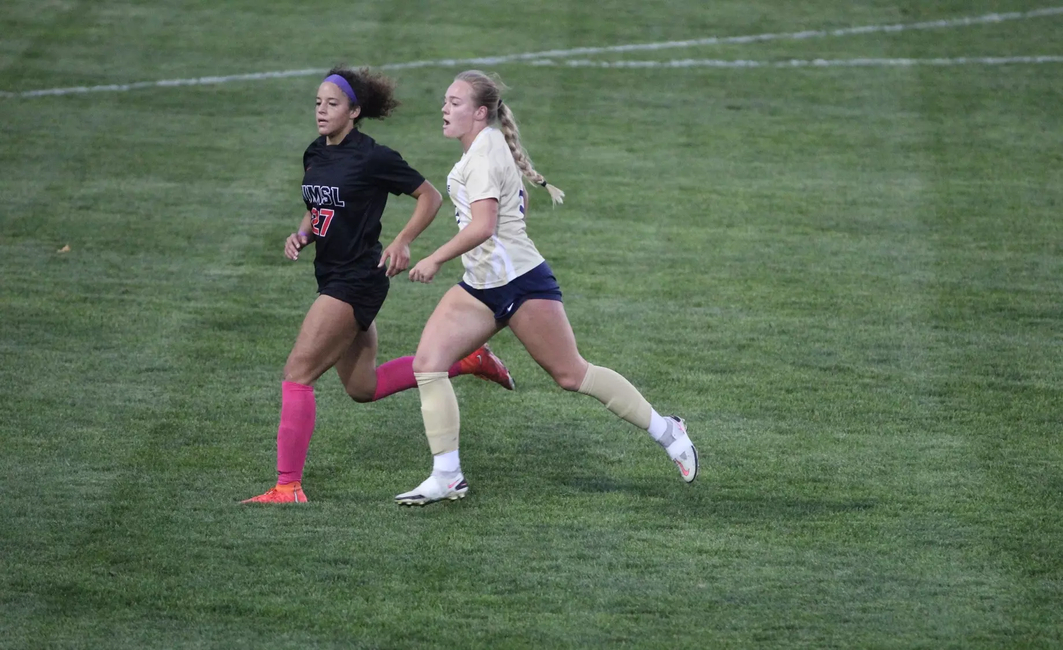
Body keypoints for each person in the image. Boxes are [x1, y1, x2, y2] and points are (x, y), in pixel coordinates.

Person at [393, 70, 698, 506]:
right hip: (482, 285)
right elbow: (517, 205)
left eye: (455, 102)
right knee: (428, 363)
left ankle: (669, 431)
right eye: (446, 100)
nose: (444, 108)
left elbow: (483, 225)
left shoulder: (481, 156)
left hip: (519, 283)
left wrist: (435, 257)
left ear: (480, 113)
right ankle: (447, 476)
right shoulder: (490, 145)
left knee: (572, 374)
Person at [242, 67, 515, 504]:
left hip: (356, 281)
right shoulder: (315, 153)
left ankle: (288, 486)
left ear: (354, 111)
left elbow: (430, 196)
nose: (322, 111)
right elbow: (320, 207)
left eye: (332, 104)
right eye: (318, 103)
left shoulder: (372, 157)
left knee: (297, 373)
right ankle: (467, 361)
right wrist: (303, 233)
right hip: (332, 276)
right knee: (362, 388)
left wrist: (403, 241)